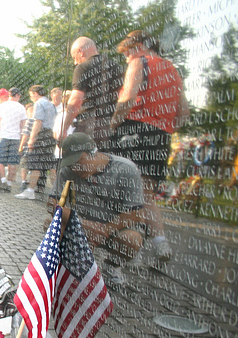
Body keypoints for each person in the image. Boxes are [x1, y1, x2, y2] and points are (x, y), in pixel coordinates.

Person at [110, 30, 190, 263]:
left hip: (135, 131)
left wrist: (114, 124)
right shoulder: (173, 69)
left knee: (124, 192)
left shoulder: (139, 62)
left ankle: (129, 249)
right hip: (162, 135)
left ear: (139, 46)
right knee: (147, 195)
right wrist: (163, 127)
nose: (126, 58)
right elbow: (183, 113)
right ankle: (160, 243)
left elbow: (128, 97)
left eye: (127, 52)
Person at [49, 133, 146, 284]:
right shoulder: (68, 171)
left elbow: (135, 213)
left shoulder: (126, 169)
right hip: (82, 225)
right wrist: (81, 224)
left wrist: (103, 231)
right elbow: (54, 203)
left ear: (93, 152)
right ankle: (69, 267)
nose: (75, 168)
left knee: (132, 240)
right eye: (71, 164)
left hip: (115, 229)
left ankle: (112, 266)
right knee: (51, 225)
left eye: (78, 162)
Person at [60, 37, 123, 150]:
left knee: (85, 163)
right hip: (112, 125)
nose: (75, 62)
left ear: (81, 51)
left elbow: (76, 100)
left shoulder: (83, 68)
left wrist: (64, 128)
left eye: (75, 57)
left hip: (90, 126)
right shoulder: (116, 67)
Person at [16, 85, 57, 200]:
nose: (31, 98)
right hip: (50, 135)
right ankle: (56, 191)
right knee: (51, 165)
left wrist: (32, 139)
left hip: (41, 135)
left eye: (31, 95)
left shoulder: (39, 103)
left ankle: (30, 191)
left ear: (35, 93)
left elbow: (38, 122)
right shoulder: (51, 104)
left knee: (36, 164)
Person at [0, 87, 28, 192]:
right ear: (17, 95)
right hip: (16, 137)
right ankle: (9, 183)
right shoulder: (21, 107)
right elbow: (23, 125)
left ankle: (3, 180)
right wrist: (22, 138)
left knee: (0, 161)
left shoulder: (2, 106)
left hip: (3, 136)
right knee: (13, 162)